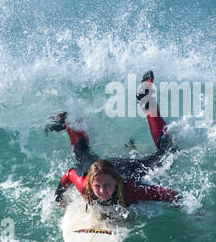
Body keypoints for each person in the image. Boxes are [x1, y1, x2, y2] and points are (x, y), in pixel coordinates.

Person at [50, 71, 181, 208]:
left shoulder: (131, 190)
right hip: (98, 167)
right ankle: (70, 120)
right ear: (90, 184)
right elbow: (69, 174)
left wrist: (190, 208)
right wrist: (59, 198)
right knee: (82, 153)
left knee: (168, 153)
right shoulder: (85, 185)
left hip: (128, 168)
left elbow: (168, 194)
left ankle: (147, 99)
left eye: (106, 185)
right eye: (97, 186)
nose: (102, 191)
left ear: (116, 182)